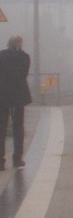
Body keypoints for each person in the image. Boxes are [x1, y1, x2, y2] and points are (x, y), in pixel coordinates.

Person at [0, 35, 33, 170]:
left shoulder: (1, 55)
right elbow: (23, 75)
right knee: (18, 128)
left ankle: (0, 162)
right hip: (18, 96)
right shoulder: (25, 57)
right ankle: (17, 159)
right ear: (20, 43)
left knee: (1, 128)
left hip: (3, 96)